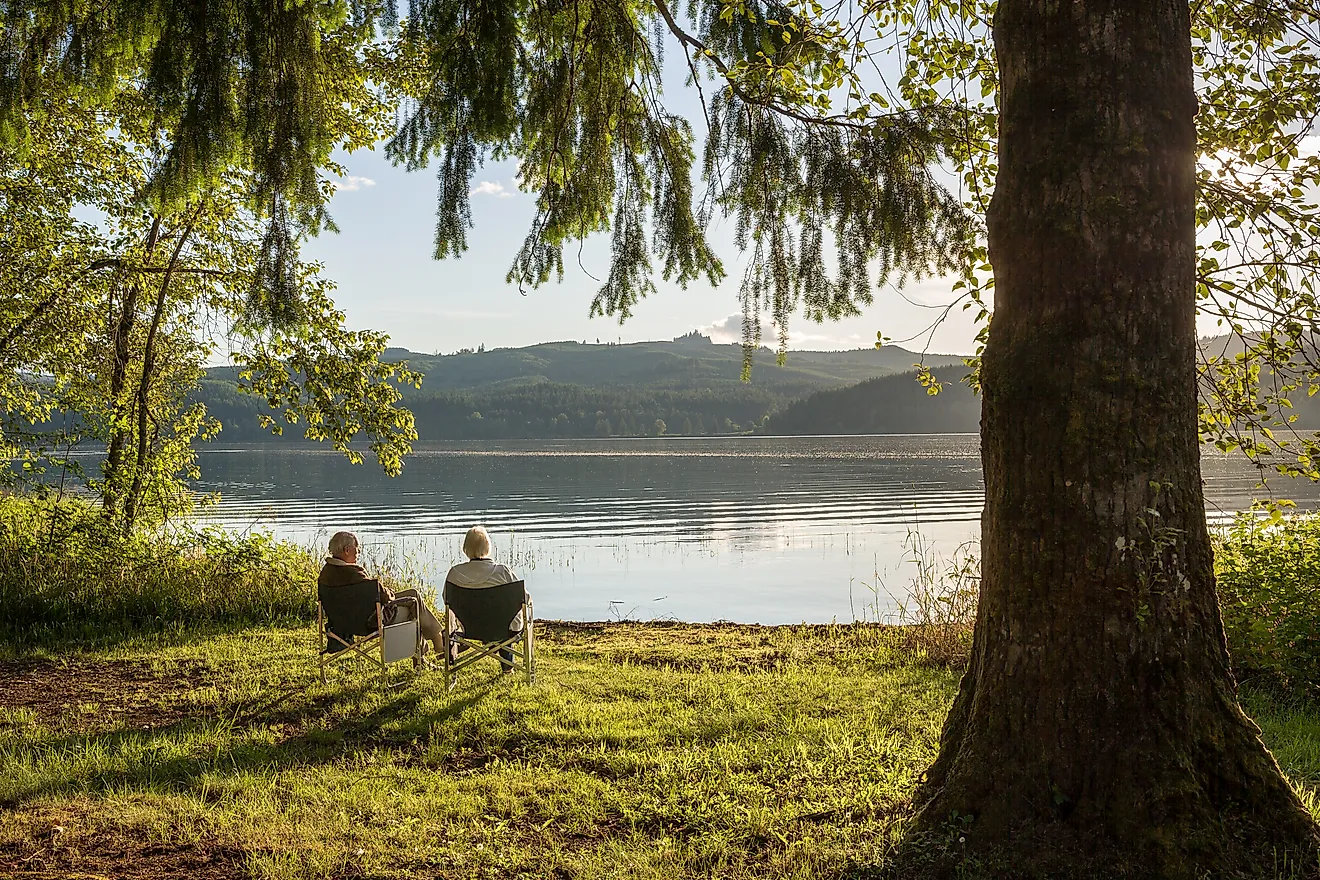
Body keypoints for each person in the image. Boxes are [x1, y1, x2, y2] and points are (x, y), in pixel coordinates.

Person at [317, 531, 445, 657]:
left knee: (413, 594)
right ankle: (437, 643)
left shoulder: (325, 574)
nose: (358, 553)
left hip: (341, 624)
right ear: (347, 550)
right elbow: (384, 595)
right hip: (370, 622)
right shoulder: (353, 573)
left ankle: (429, 647)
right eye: (357, 549)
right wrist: (388, 591)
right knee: (413, 604)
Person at [443, 525, 530, 668]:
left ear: (465, 548)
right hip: (503, 628)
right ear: (488, 547)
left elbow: (446, 600)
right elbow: (525, 599)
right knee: (504, 617)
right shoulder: (503, 572)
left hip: (469, 628)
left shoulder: (454, 574)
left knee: (499, 617)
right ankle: (508, 667)